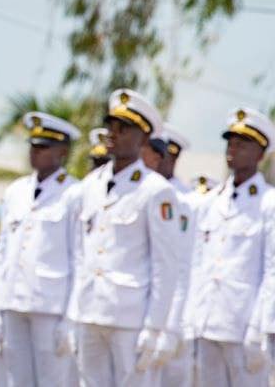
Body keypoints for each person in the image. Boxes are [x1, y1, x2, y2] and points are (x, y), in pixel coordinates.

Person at [68, 89, 178, 387]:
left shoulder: (155, 190)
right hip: (90, 311)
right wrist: (73, 312)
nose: (113, 134)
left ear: (143, 139)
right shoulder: (91, 185)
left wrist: (155, 327)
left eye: (124, 128)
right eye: (111, 126)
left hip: (131, 317)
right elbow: (80, 252)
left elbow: (165, 265)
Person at [0, 111, 81, 386]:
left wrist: (71, 318)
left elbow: (80, 258)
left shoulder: (75, 193)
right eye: (33, 146)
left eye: (44, 147)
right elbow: (2, 255)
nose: (35, 152)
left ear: (63, 151)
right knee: (17, 380)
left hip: (51, 307)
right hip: (13, 302)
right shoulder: (16, 191)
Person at [184, 108, 275, 386]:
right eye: (231, 142)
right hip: (207, 321)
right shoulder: (211, 201)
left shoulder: (269, 203)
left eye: (242, 144)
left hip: (244, 326)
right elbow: (197, 264)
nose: (233, 149)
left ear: (260, 155)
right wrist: (190, 318)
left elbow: (272, 271)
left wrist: (260, 329)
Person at [143, 124, 197, 379]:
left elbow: (180, 267)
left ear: (169, 158)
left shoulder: (183, 201)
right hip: (136, 312)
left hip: (167, 320)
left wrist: (171, 326)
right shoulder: (138, 192)